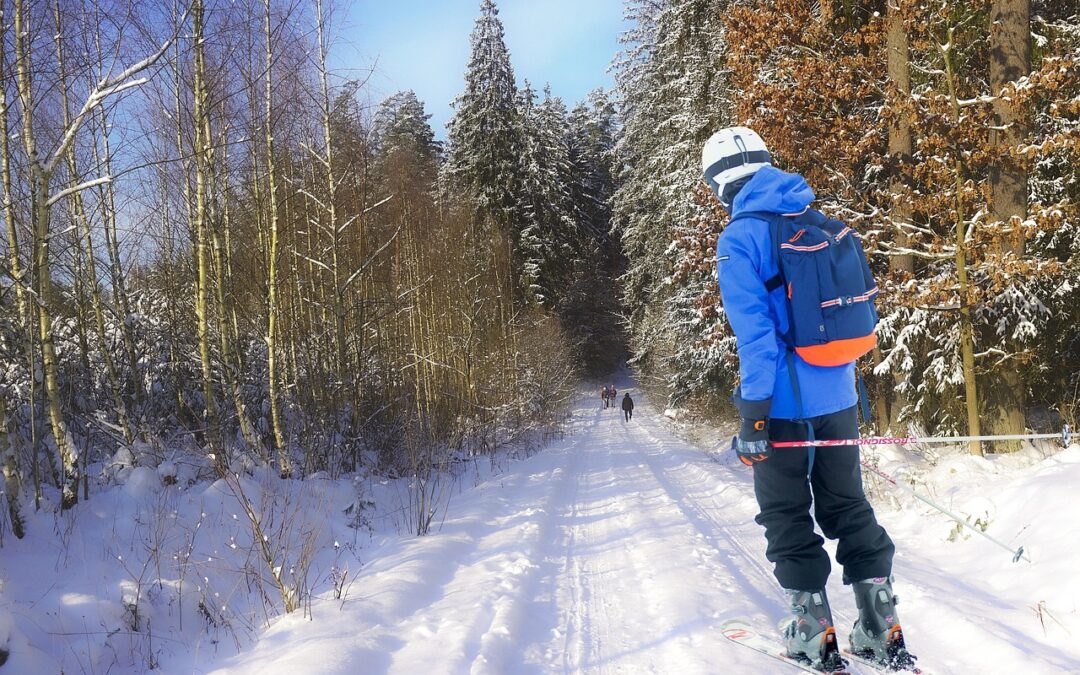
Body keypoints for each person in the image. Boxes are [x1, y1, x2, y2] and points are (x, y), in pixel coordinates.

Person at [702, 127, 913, 671]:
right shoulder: (820, 222)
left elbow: (756, 339)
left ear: (720, 182)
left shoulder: (740, 238)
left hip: (782, 408)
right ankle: (880, 624)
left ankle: (812, 633)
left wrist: (753, 417)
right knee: (847, 505)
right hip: (839, 395)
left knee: (787, 513)